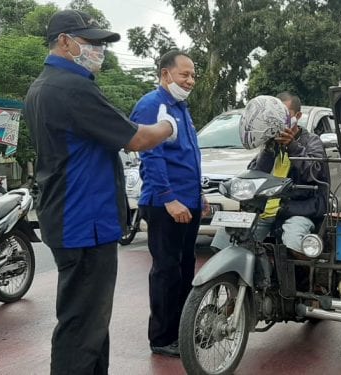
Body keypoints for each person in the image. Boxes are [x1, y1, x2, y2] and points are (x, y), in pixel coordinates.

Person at [24, 10, 178, 374]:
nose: (98, 51)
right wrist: (168, 126)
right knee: (82, 328)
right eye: (91, 42)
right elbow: (137, 138)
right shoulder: (72, 88)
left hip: (67, 214)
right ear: (64, 41)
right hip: (85, 220)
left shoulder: (41, 86)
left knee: (89, 323)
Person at [129, 50, 207, 358]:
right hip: (165, 205)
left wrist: (197, 195)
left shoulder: (181, 108)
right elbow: (151, 155)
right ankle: (162, 337)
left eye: (193, 76)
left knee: (185, 268)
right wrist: (169, 198)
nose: (190, 81)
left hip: (187, 202)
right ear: (165, 74)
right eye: (184, 74)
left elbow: (188, 157)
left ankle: (182, 329)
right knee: (166, 271)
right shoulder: (152, 105)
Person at [211, 93, 329, 255]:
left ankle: (302, 277)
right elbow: (254, 174)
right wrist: (268, 150)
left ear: (298, 116)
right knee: (226, 236)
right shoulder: (270, 144)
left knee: (293, 241)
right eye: (272, 117)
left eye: (284, 115)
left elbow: (315, 172)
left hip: (299, 210)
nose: (277, 121)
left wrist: (292, 146)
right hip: (264, 211)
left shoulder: (312, 141)